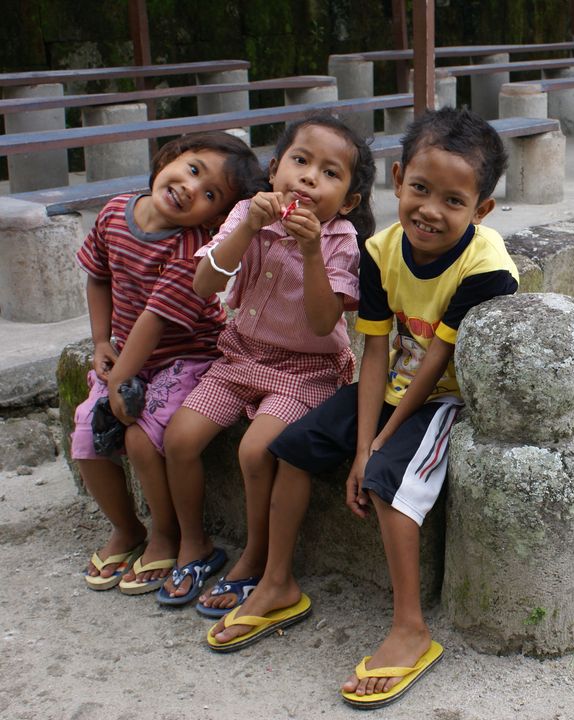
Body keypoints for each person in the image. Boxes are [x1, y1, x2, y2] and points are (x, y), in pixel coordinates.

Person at [207, 107, 519, 709]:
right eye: (420, 189)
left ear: (480, 211)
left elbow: (432, 368)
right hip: (392, 384)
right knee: (292, 449)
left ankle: (411, 629)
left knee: (385, 484)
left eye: (453, 201)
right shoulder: (381, 249)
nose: (429, 209)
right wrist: (358, 439)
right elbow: (375, 349)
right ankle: (277, 583)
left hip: (447, 395)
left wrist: (374, 449)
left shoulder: (487, 270)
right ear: (398, 179)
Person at [157, 114, 375, 612]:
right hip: (239, 356)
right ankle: (194, 543)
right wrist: (249, 225)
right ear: (274, 169)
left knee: (256, 451)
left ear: (348, 202)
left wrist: (311, 251)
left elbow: (323, 324)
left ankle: (256, 558)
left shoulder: (340, 239)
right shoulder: (246, 215)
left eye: (329, 172)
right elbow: (205, 285)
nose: (309, 177)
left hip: (305, 370)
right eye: (300, 161)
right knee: (180, 438)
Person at [75, 132, 264, 594]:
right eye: (193, 169)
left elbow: (156, 320)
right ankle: (127, 528)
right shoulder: (115, 212)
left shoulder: (188, 249)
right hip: (128, 357)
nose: (190, 187)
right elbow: (98, 277)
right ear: (172, 157)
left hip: (187, 356)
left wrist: (122, 378)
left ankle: (169, 533)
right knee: (85, 430)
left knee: (142, 440)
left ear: (217, 218)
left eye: (210, 194)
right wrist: (102, 341)